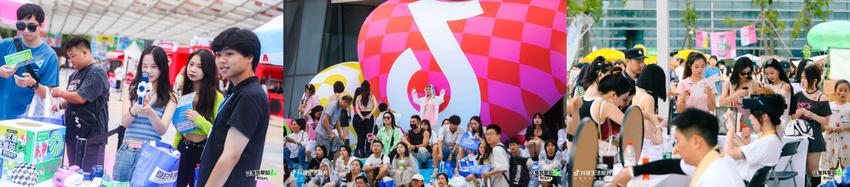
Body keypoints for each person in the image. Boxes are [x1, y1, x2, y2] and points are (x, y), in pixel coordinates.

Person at [197, 27, 270, 186]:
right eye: (218, 55)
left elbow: (231, 156)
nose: (221, 60)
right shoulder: (238, 92)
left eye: (229, 54)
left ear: (249, 57)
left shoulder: (250, 96)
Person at [611, 109, 744, 187]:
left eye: (678, 141)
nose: (677, 148)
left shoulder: (716, 179)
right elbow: (673, 165)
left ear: (696, 142)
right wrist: (631, 172)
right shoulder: (714, 160)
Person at [114, 46, 178, 182]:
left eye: (154, 66)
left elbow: (162, 130)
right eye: (145, 66)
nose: (148, 71)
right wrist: (137, 106)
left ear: (162, 68)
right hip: (126, 151)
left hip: (149, 154)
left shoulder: (170, 96)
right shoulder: (131, 89)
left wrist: (150, 113)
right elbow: (124, 122)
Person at [48, 37, 108, 173]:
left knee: (88, 176)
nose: (71, 60)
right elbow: (71, 98)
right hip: (73, 133)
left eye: (73, 56)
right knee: (73, 172)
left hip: (92, 136)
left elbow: (80, 97)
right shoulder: (74, 75)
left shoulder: (97, 72)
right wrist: (61, 105)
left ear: (85, 52)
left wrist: (60, 92)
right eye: (69, 57)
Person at [0, 3, 60, 120]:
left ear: (41, 25)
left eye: (31, 27)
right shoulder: (5, 45)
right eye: (21, 26)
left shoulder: (49, 55)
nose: (26, 31)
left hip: (25, 122)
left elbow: (51, 94)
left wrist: (33, 84)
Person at [172, 49, 222, 187]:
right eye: (191, 64)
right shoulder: (185, 93)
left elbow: (217, 133)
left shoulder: (216, 97)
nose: (193, 69)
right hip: (184, 147)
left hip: (203, 151)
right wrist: (174, 149)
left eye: (199, 67)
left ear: (208, 70)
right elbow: (180, 128)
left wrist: (198, 119)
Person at [722, 93, 785, 182]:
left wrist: (732, 127)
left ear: (764, 117)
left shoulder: (768, 141)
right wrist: (730, 131)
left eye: (753, 114)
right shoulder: (769, 137)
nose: (750, 118)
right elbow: (750, 152)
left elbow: (728, 154)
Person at [580, 73, 660, 141]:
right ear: (613, 95)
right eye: (624, 99)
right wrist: (657, 139)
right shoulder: (605, 105)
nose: (623, 104)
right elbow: (634, 126)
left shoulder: (591, 97)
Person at [789, 65, 833, 185]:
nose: (802, 80)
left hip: (814, 138)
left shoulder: (821, 97)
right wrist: (797, 114)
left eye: (805, 78)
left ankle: (833, 176)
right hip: (798, 136)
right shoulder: (798, 96)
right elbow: (792, 116)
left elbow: (826, 121)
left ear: (814, 80)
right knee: (800, 169)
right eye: (801, 77)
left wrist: (810, 114)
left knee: (813, 171)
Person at [634, 64, 667, 157]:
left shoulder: (634, 90)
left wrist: (655, 118)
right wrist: (662, 124)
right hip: (645, 145)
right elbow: (649, 129)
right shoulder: (648, 98)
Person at [826, 80, 850, 168]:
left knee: (845, 166)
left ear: (849, 92)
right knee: (832, 165)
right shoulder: (829, 105)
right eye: (840, 90)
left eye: (845, 90)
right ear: (835, 91)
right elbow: (825, 122)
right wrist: (826, 127)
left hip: (846, 140)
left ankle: (845, 181)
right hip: (831, 138)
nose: (842, 93)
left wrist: (843, 129)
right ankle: (832, 181)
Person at [762, 59, 793, 124]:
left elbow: (775, 101)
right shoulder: (768, 86)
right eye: (767, 74)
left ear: (778, 71)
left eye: (772, 73)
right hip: (771, 122)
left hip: (783, 122)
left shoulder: (785, 86)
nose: (770, 76)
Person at [354, 80, 378, 157]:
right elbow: (376, 106)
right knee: (369, 135)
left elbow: (357, 108)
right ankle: (368, 152)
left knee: (361, 135)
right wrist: (370, 114)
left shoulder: (358, 97)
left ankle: (360, 152)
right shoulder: (372, 96)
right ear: (369, 88)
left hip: (361, 116)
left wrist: (360, 115)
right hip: (369, 116)